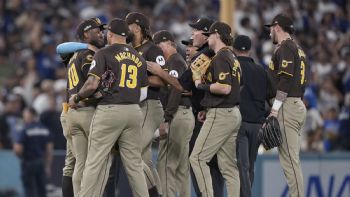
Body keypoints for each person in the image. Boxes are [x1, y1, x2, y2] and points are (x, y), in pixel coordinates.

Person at [70, 18, 149, 197]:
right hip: (134, 111)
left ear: (111, 34)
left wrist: (77, 97)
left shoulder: (104, 53)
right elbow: (143, 93)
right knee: (135, 165)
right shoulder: (139, 57)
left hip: (111, 110)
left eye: (106, 32)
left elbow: (91, 84)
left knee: (94, 161)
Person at [189, 21, 242, 197]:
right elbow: (236, 87)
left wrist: (200, 85)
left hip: (222, 114)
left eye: (210, 34)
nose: (208, 37)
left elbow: (225, 88)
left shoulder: (220, 57)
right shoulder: (233, 57)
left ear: (217, 35)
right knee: (229, 167)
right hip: (233, 112)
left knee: (197, 158)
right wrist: (208, 103)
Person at [265, 14, 308, 197]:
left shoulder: (286, 47)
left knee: (290, 162)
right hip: (295, 103)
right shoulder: (297, 49)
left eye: (270, 28)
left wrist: (274, 110)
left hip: (287, 106)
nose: (269, 32)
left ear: (277, 27)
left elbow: (285, 81)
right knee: (290, 161)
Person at [125, 12, 165, 195]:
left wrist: (140, 81)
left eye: (128, 26)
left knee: (133, 154)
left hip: (149, 104)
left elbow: (161, 80)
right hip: (136, 107)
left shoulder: (152, 49)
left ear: (137, 27)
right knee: (145, 161)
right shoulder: (131, 50)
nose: (126, 30)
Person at [65, 17, 106, 196]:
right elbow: (92, 85)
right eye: (96, 31)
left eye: (101, 30)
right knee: (97, 162)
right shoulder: (89, 56)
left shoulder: (73, 56)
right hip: (87, 111)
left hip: (72, 114)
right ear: (85, 35)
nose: (101, 33)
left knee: (80, 164)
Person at [153, 30, 195, 197]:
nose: (157, 50)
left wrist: (167, 118)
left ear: (170, 43)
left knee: (166, 165)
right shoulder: (178, 61)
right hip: (185, 114)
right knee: (181, 168)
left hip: (177, 115)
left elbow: (176, 89)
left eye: (159, 45)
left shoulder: (174, 61)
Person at [233, 35, 267, 197]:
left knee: (242, 165)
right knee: (249, 166)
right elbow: (270, 94)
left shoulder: (234, 67)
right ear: (250, 50)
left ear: (234, 49)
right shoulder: (261, 70)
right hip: (258, 124)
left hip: (240, 121)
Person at [13, 107, 53, 197]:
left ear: (30, 115)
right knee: (41, 189)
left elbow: (17, 149)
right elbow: (49, 150)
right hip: (40, 162)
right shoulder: (44, 129)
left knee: (29, 189)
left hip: (28, 161)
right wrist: (48, 166)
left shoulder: (24, 129)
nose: (24, 116)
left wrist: (21, 156)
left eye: (25, 114)